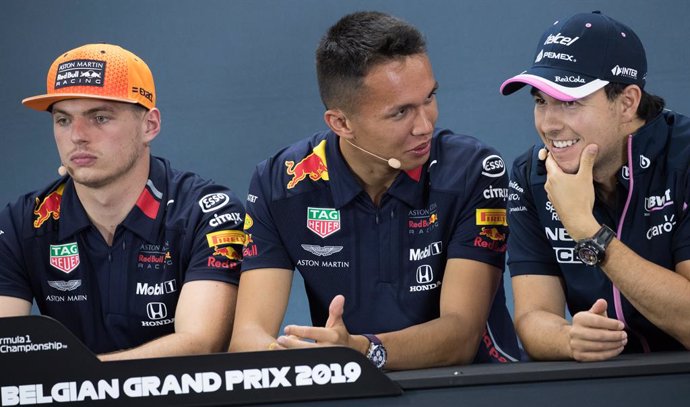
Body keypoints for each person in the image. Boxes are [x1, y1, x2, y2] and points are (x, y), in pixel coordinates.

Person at [230, 11, 520, 369]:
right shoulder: (280, 183)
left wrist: (360, 351)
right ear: (341, 123)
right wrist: (296, 361)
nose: (425, 126)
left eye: (429, 97)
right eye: (400, 113)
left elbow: (461, 336)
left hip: (471, 386)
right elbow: (248, 335)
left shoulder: (473, 170)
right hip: (351, 389)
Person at [0, 43, 245, 361]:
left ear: (150, 125)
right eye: (63, 120)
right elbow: (6, 351)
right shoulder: (23, 222)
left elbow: (198, 345)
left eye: (99, 118)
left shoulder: (208, 213)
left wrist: (72, 376)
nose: (77, 135)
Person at [500, 11, 690, 361]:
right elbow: (532, 316)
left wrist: (587, 231)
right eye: (541, 101)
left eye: (570, 102)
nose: (550, 124)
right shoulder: (531, 174)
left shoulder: (684, 158)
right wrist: (569, 339)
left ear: (627, 102)